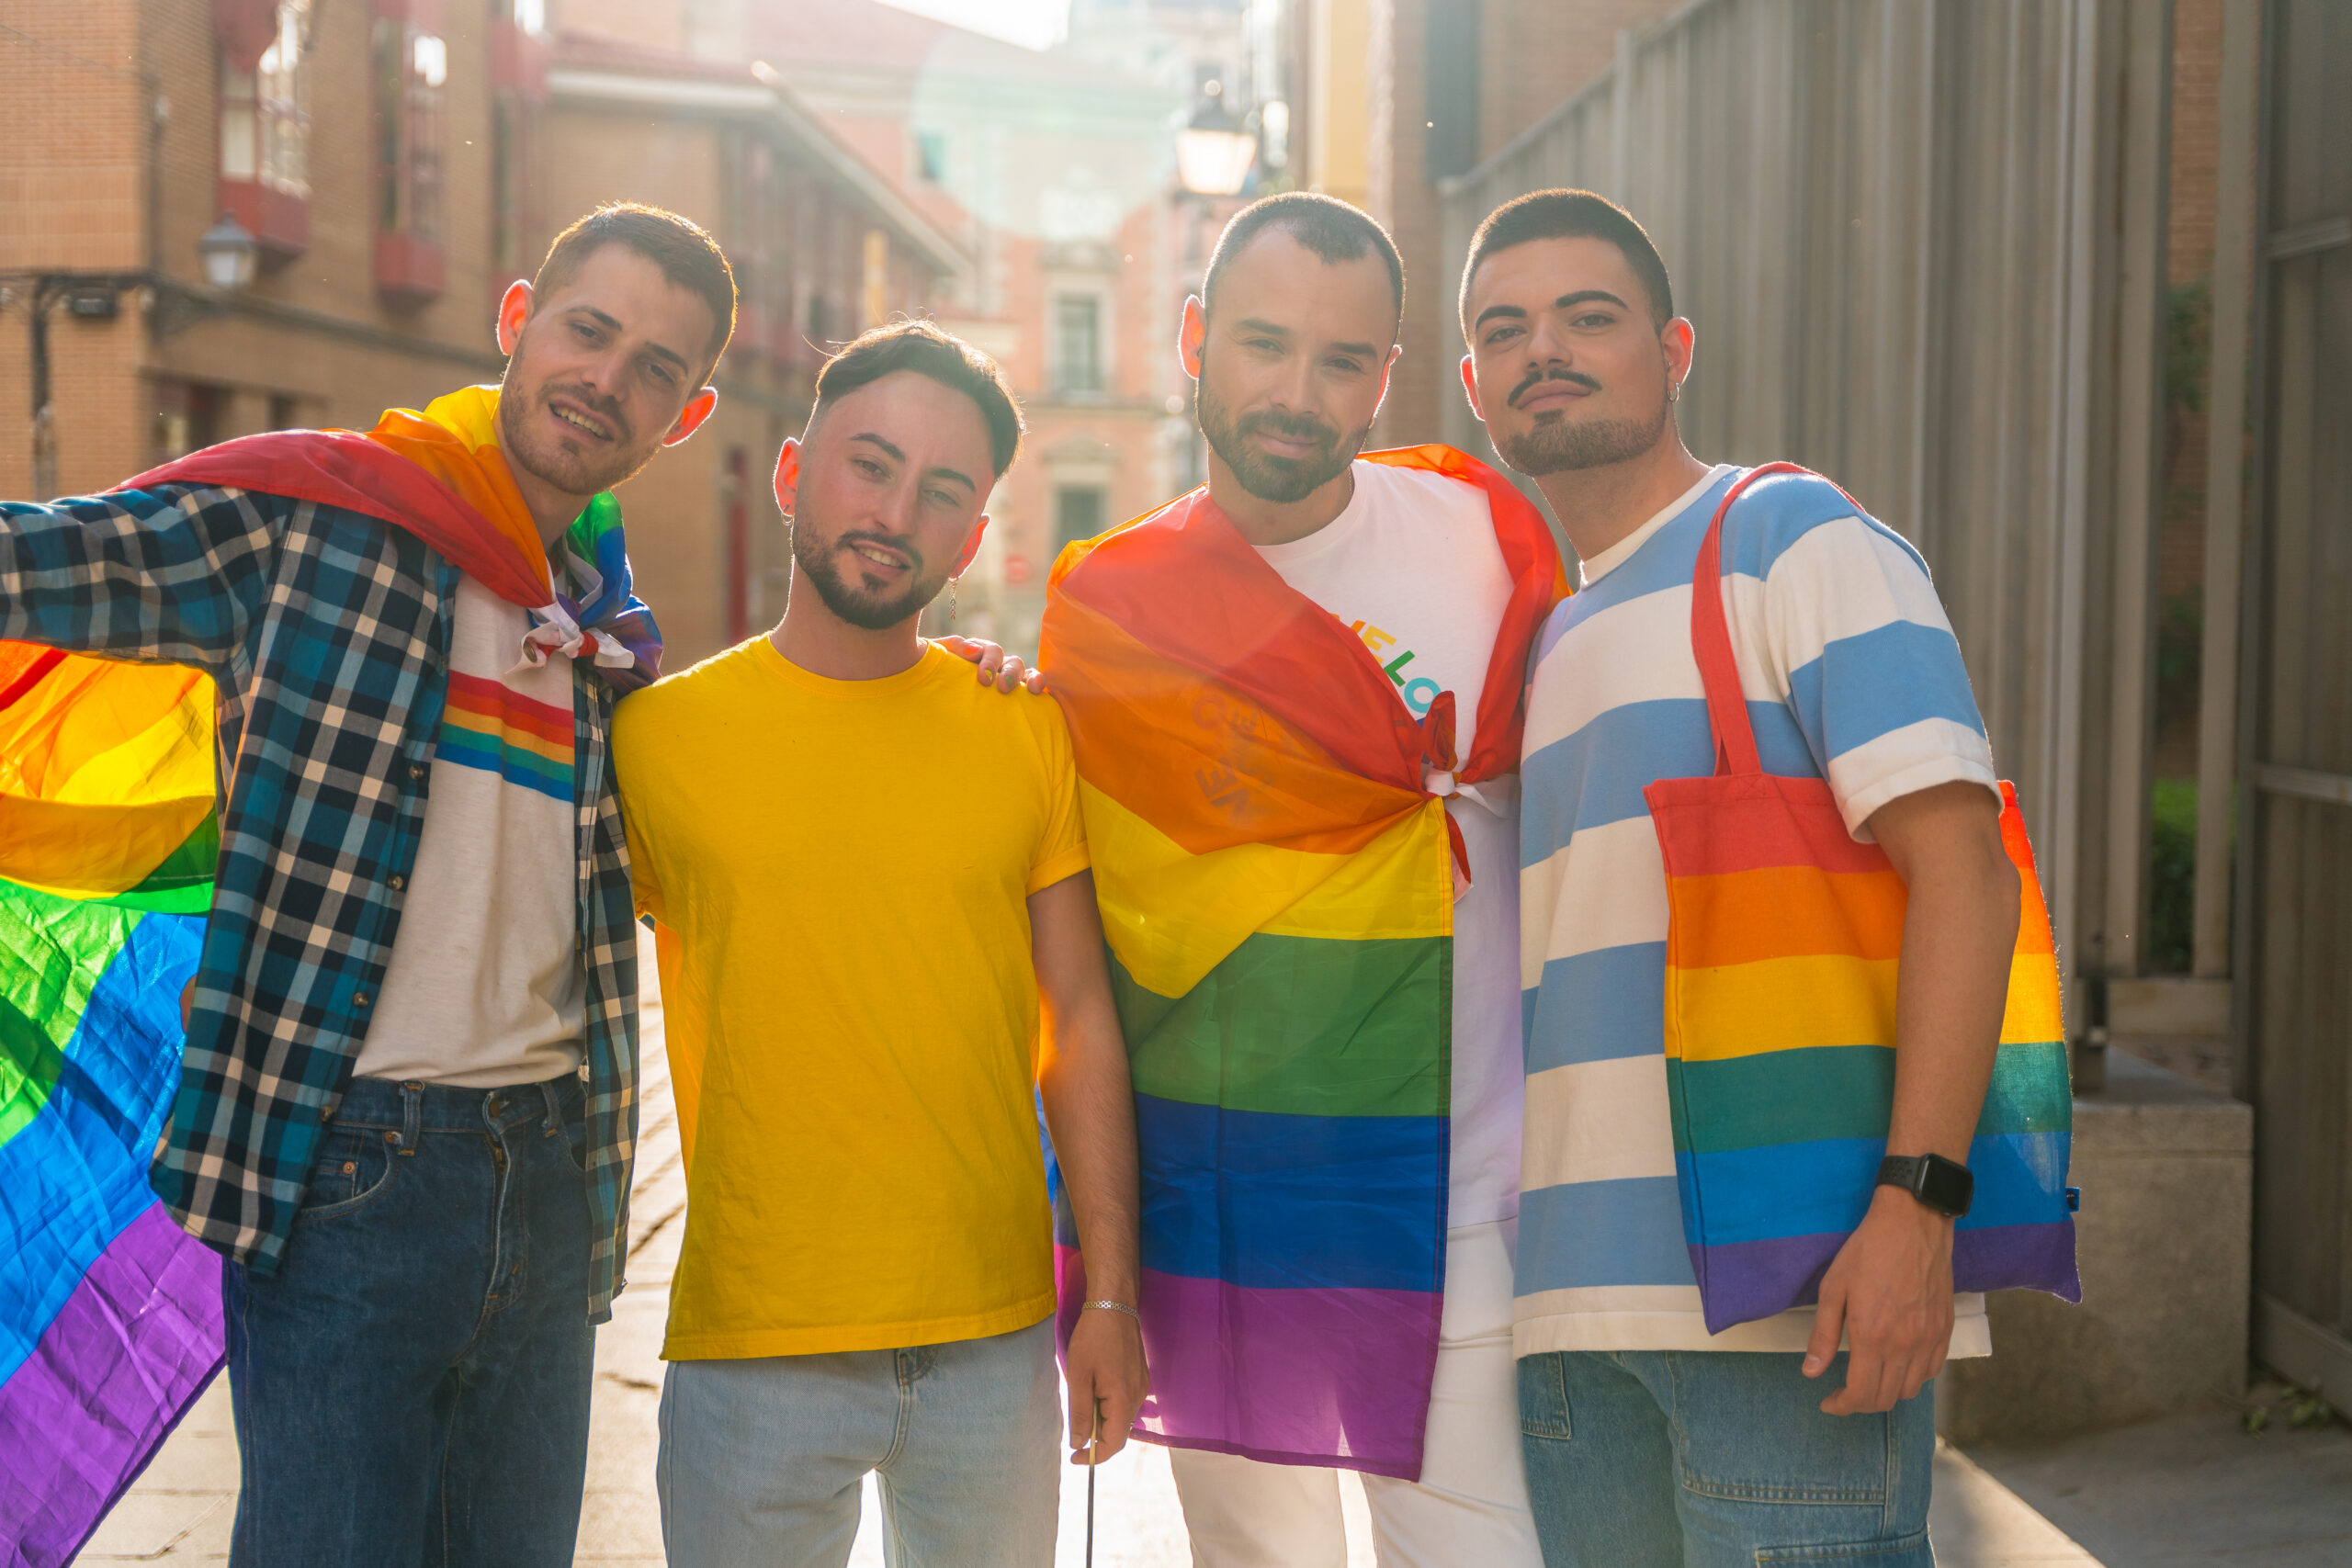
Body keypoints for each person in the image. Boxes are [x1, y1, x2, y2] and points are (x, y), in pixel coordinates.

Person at [1, 203, 729, 1567]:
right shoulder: (311, 525)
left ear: (682, 420)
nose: (608, 380)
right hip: (350, 1167)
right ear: (517, 322)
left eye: (656, 369)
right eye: (589, 331)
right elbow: (42, 562)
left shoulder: (604, 624)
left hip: (556, 1170)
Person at [1462, 188, 2028, 1567]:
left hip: (1788, 1305)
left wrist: (1919, 1204)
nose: (1547, 349)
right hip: (1569, 1337)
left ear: (1676, 348)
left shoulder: (1794, 541)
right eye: (1506, 328)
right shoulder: (1534, 643)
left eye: (1588, 318)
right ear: (1475, 384)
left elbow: (1968, 873)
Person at [1038, 192, 1563, 1567]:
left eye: (1343, 362)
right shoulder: (1114, 607)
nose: (1297, 393)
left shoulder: (1486, 535)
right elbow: (1095, 907)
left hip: (1466, 1197)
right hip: (1231, 1195)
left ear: (1386, 376)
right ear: (1196, 338)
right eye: (1265, 345)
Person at [612, 321, 1148, 1568]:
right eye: (871, 464)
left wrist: (1108, 1295)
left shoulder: (1023, 732)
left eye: (942, 491)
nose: (895, 510)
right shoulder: (657, 744)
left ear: (971, 540)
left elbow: (1079, 1028)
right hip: (753, 1347)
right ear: (795, 474)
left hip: (993, 1347)